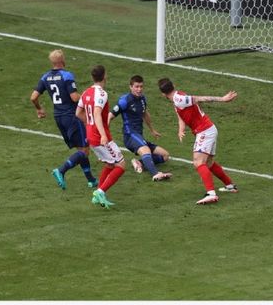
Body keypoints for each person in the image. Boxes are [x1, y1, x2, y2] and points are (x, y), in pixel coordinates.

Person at [157, 78, 238, 205]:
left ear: (162, 94)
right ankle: (230, 185)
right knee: (209, 163)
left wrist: (223, 99)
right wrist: (181, 130)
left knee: (198, 162)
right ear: (173, 85)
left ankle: (211, 194)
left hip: (204, 130)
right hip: (208, 129)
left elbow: (200, 98)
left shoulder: (179, 99)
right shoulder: (178, 98)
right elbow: (181, 116)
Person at [30, 49, 98, 189]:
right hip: (72, 116)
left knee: (81, 149)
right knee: (84, 150)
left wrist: (39, 109)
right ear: (62, 61)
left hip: (59, 117)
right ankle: (61, 170)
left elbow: (33, 97)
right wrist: (87, 97)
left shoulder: (45, 77)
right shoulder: (66, 75)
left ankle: (91, 180)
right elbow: (74, 97)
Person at [76, 65, 126, 209]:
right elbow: (97, 113)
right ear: (105, 76)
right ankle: (100, 191)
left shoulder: (85, 93)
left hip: (90, 135)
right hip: (100, 136)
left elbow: (78, 113)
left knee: (110, 164)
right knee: (121, 165)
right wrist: (103, 134)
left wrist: (89, 124)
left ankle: (98, 195)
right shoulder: (102, 94)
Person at [109, 75, 172, 182]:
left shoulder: (142, 99)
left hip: (138, 136)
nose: (139, 89)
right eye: (136, 87)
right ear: (131, 87)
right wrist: (105, 136)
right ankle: (156, 174)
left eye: (141, 87)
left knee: (165, 155)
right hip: (130, 136)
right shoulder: (125, 101)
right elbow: (109, 116)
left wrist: (152, 130)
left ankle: (139, 163)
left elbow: (145, 114)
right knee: (146, 150)